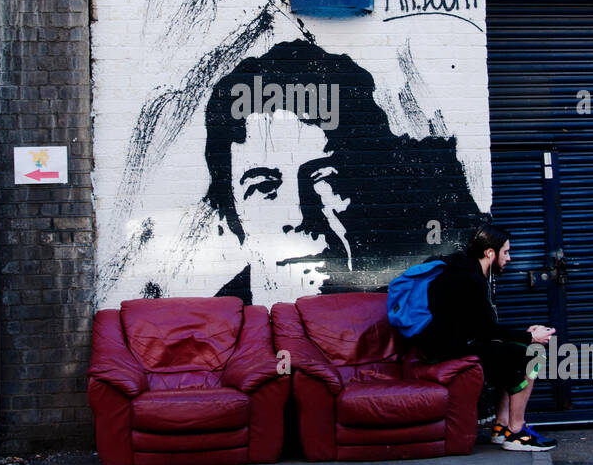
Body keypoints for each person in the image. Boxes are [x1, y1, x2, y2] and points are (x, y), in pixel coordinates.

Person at [201, 39, 486, 305]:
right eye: (264, 187)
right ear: (227, 218)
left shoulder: (395, 313)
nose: (301, 217)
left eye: (324, 178)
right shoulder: (213, 333)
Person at [412, 225, 558, 452]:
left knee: (514, 349)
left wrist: (524, 336)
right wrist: (531, 337)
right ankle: (517, 432)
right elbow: (487, 331)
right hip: (443, 353)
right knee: (532, 354)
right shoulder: (471, 279)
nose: (509, 258)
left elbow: (480, 328)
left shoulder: (462, 271)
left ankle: (501, 426)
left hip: (447, 346)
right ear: (490, 253)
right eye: (506, 252)